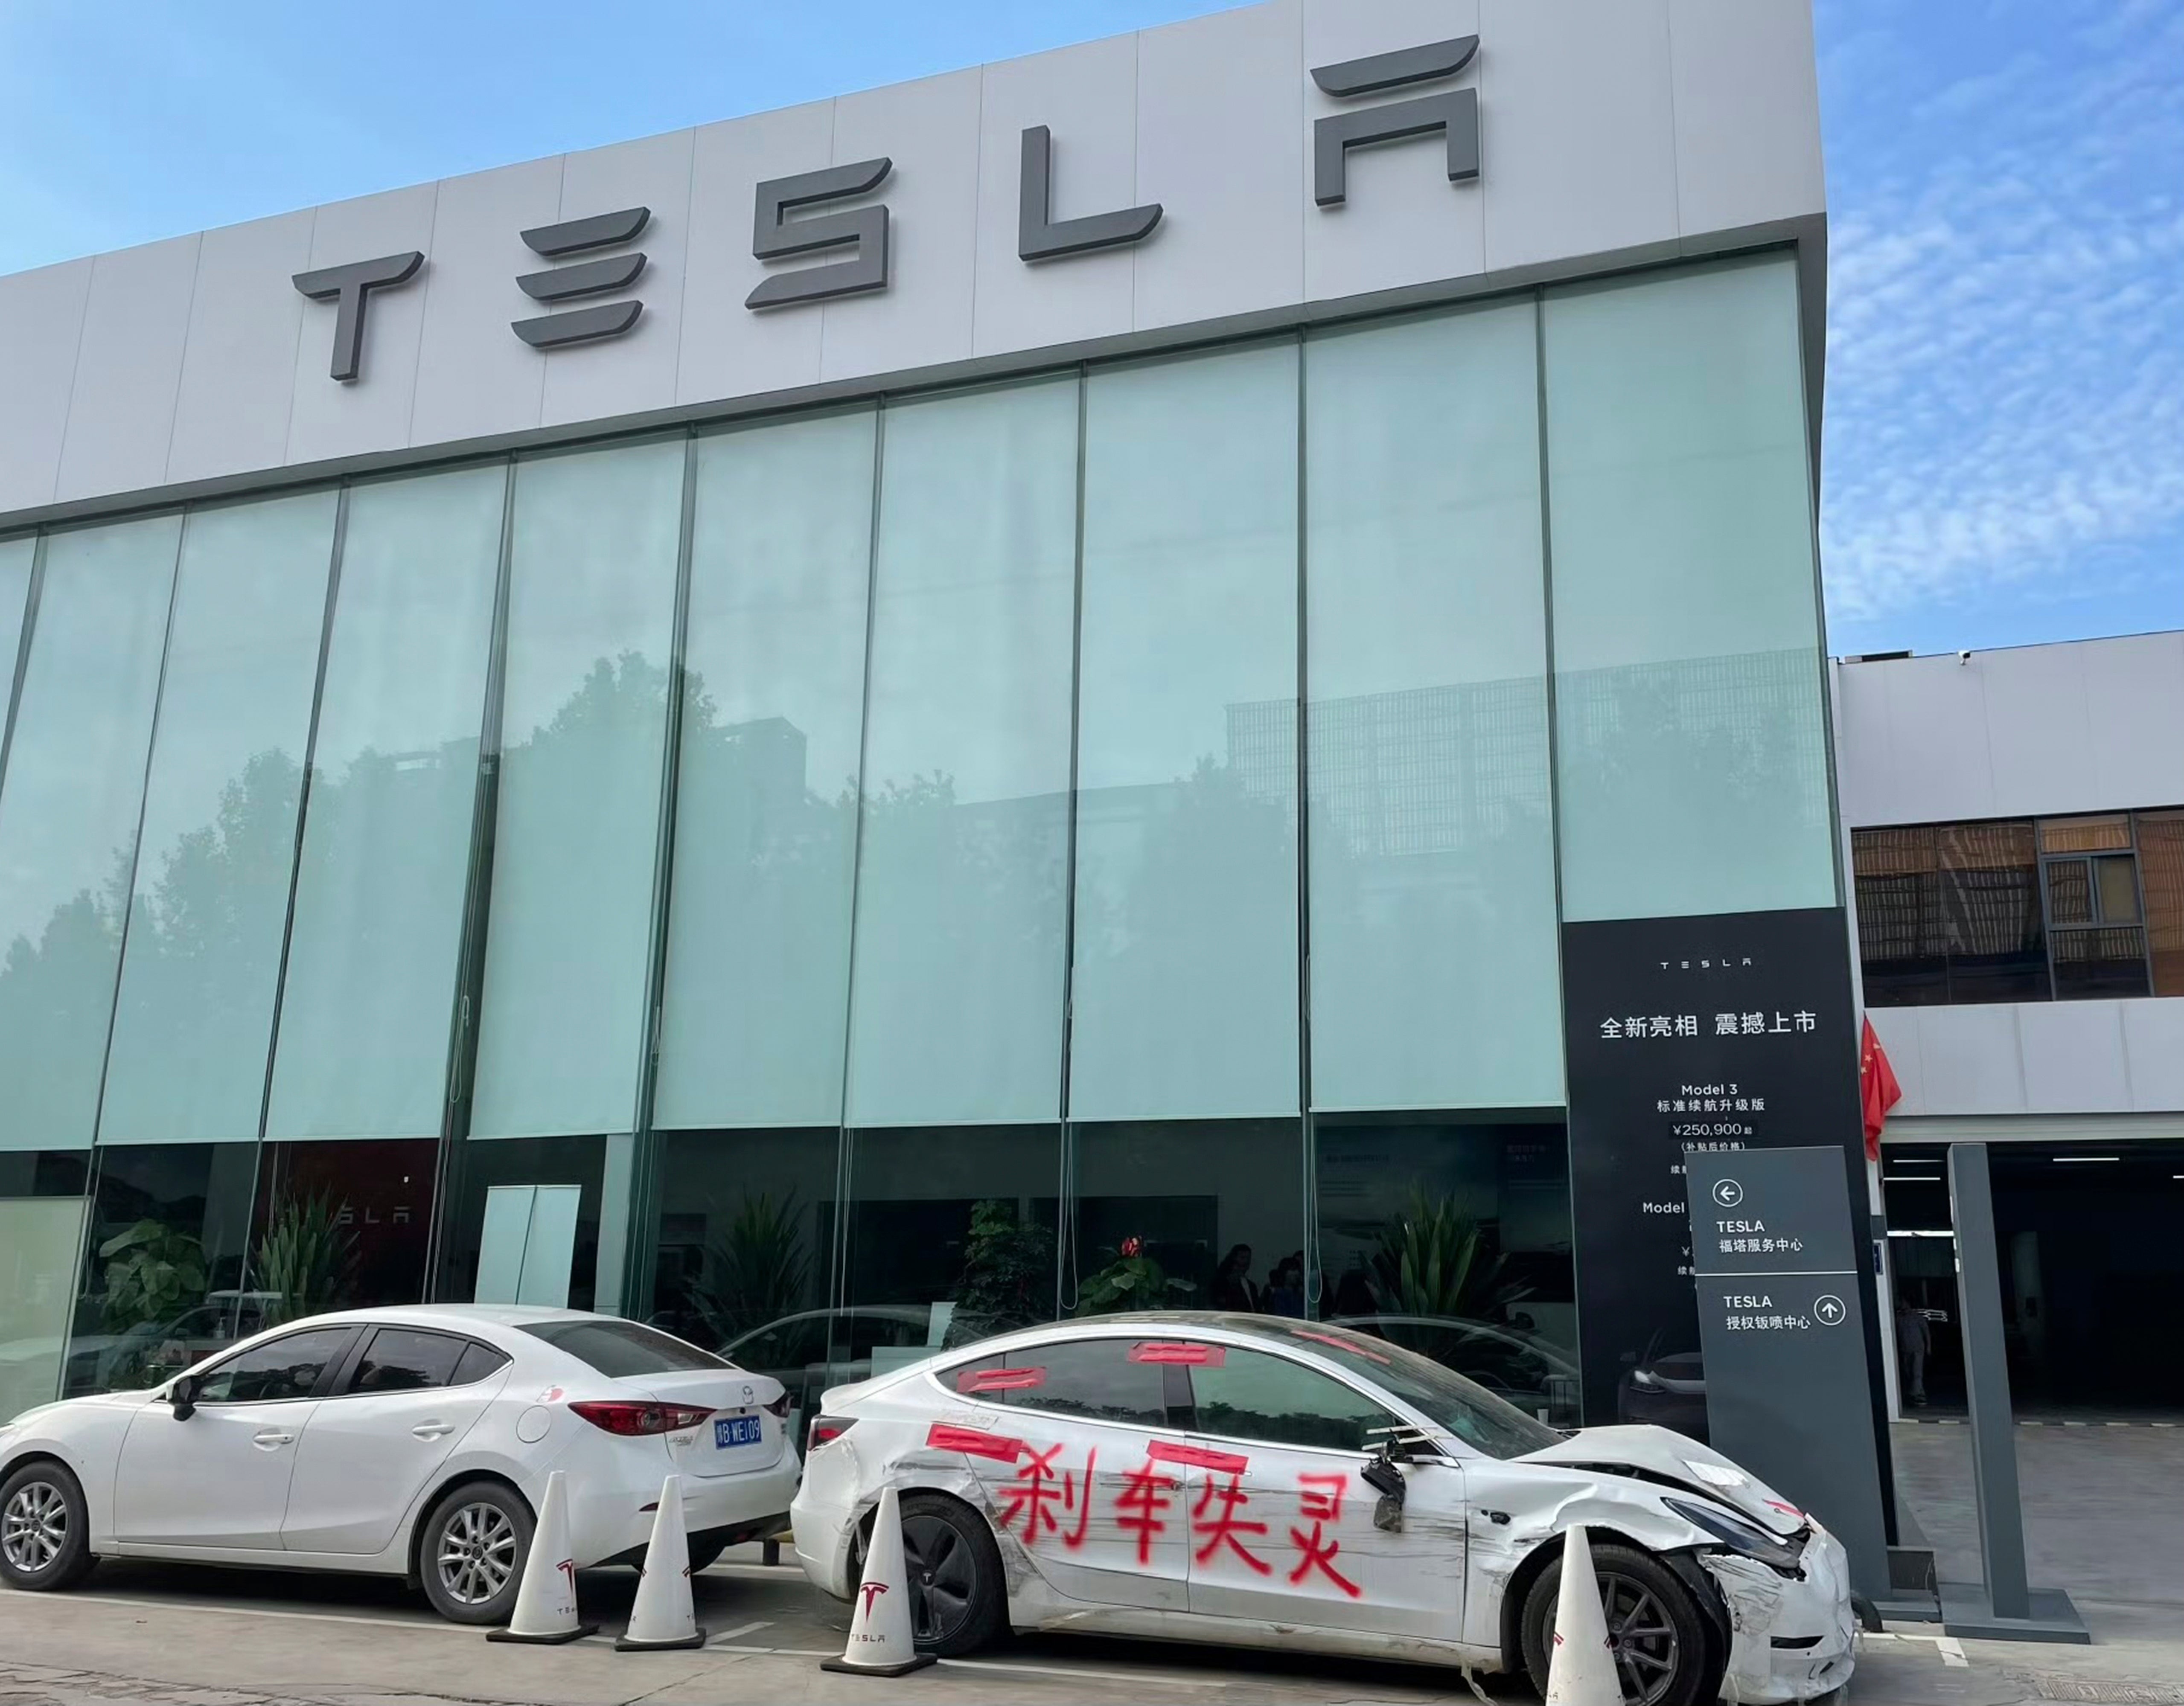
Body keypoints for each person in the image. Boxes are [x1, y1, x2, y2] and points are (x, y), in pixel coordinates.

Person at [1895, 1295, 1930, 1407]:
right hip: (1905, 1349)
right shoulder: (1899, 1319)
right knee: (1908, 1372)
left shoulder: (1917, 1318)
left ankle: (1918, 1394)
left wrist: (1929, 1347)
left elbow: (1926, 1333)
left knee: (1917, 1372)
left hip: (1918, 1349)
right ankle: (1913, 1393)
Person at [1212, 1244, 1260, 1313]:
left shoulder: (1251, 1286)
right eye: (1242, 1258)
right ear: (1234, 1259)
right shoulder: (1221, 1283)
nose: (1246, 1262)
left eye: (1248, 1259)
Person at [1266, 1254, 1306, 1318]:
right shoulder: (1278, 1295)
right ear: (1285, 1272)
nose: (1296, 1273)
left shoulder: (1301, 1294)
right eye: (1293, 1270)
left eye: (1297, 1270)